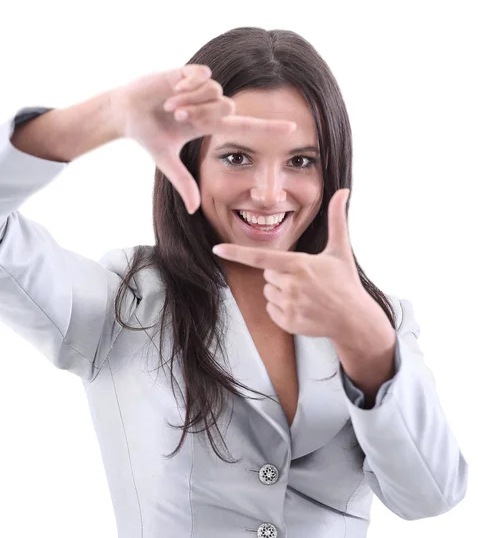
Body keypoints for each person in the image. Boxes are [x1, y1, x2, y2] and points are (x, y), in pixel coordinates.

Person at [0, 27, 467, 538]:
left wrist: (367, 342)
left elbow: (429, 497)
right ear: (190, 159)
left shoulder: (381, 318)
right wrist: (100, 119)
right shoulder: (126, 302)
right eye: (237, 157)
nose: (269, 194)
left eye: (300, 161)